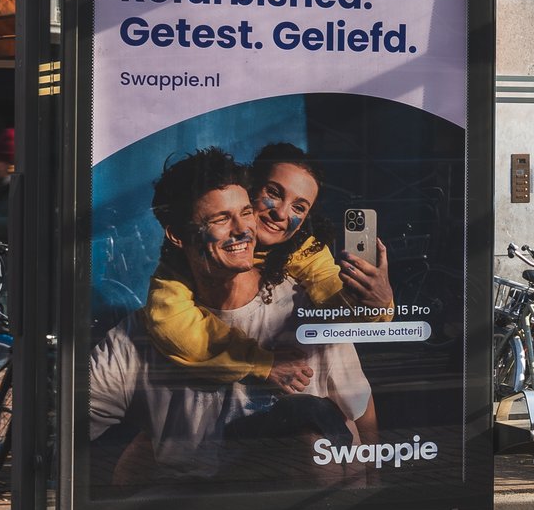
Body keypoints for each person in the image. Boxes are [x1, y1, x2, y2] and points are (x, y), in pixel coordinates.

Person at [88, 148, 375, 485]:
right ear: (178, 236)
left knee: (310, 427)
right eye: (221, 219)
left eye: (245, 212)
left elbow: (359, 407)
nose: (244, 229)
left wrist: (373, 304)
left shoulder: (303, 310)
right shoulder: (147, 328)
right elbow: (71, 428)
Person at [141, 142, 392, 389]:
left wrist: (374, 303)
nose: (281, 214)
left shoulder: (306, 250)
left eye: (299, 207)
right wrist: (261, 362)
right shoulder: (186, 257)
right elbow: (174, 325)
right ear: (248, 188)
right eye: (273, 193)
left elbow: (333, 297)